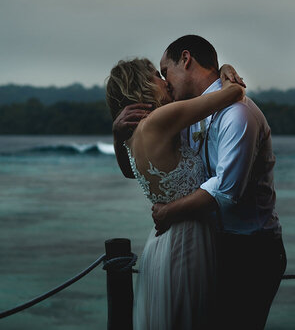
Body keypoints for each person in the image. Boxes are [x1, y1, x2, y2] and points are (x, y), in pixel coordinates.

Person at [113, 35, 285, 329]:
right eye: (158, 76)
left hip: (251, 251)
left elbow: (228, 189)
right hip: (208, 245)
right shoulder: (182, 115)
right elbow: (138, 166)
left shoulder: (237, 114)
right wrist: (119, 135)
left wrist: (171, 210)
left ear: (186, 59)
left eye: (165, 71)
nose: (165, 81)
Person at [105, 57, 245, 330]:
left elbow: (128, 172)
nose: (165, 81)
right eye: (157, 75)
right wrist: (226, 70)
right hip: (187, 241)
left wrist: (116, 136)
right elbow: (233, 93)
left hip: (161, 245)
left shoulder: (131, 138)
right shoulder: (162, 120)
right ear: (142, 84)